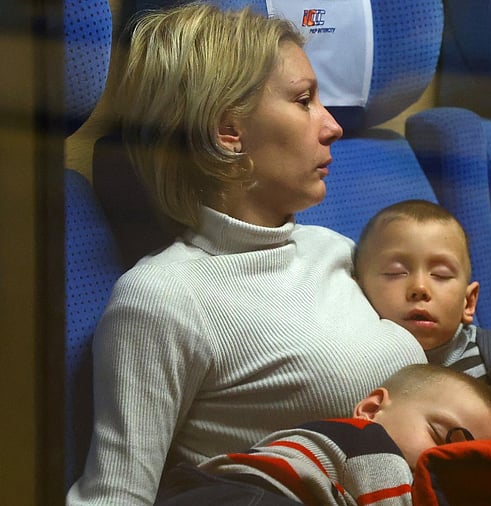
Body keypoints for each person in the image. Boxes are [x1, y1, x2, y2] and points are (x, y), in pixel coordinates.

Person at [67, 4, 427, 505]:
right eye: (304, 100)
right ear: (228, 131)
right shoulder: (163, 300)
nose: (332, 126)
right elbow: (118, 495)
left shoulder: (337, 249)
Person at [154, 364, 491, 505]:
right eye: (441, 435)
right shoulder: (368, 439)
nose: (446, 460)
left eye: (466, 461)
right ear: (371, 410)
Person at [353, 200, 491, 415]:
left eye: (441, 275)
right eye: (395, 272)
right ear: (358, 291)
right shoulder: (355, 368)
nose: (419, 288)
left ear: (469, 302)